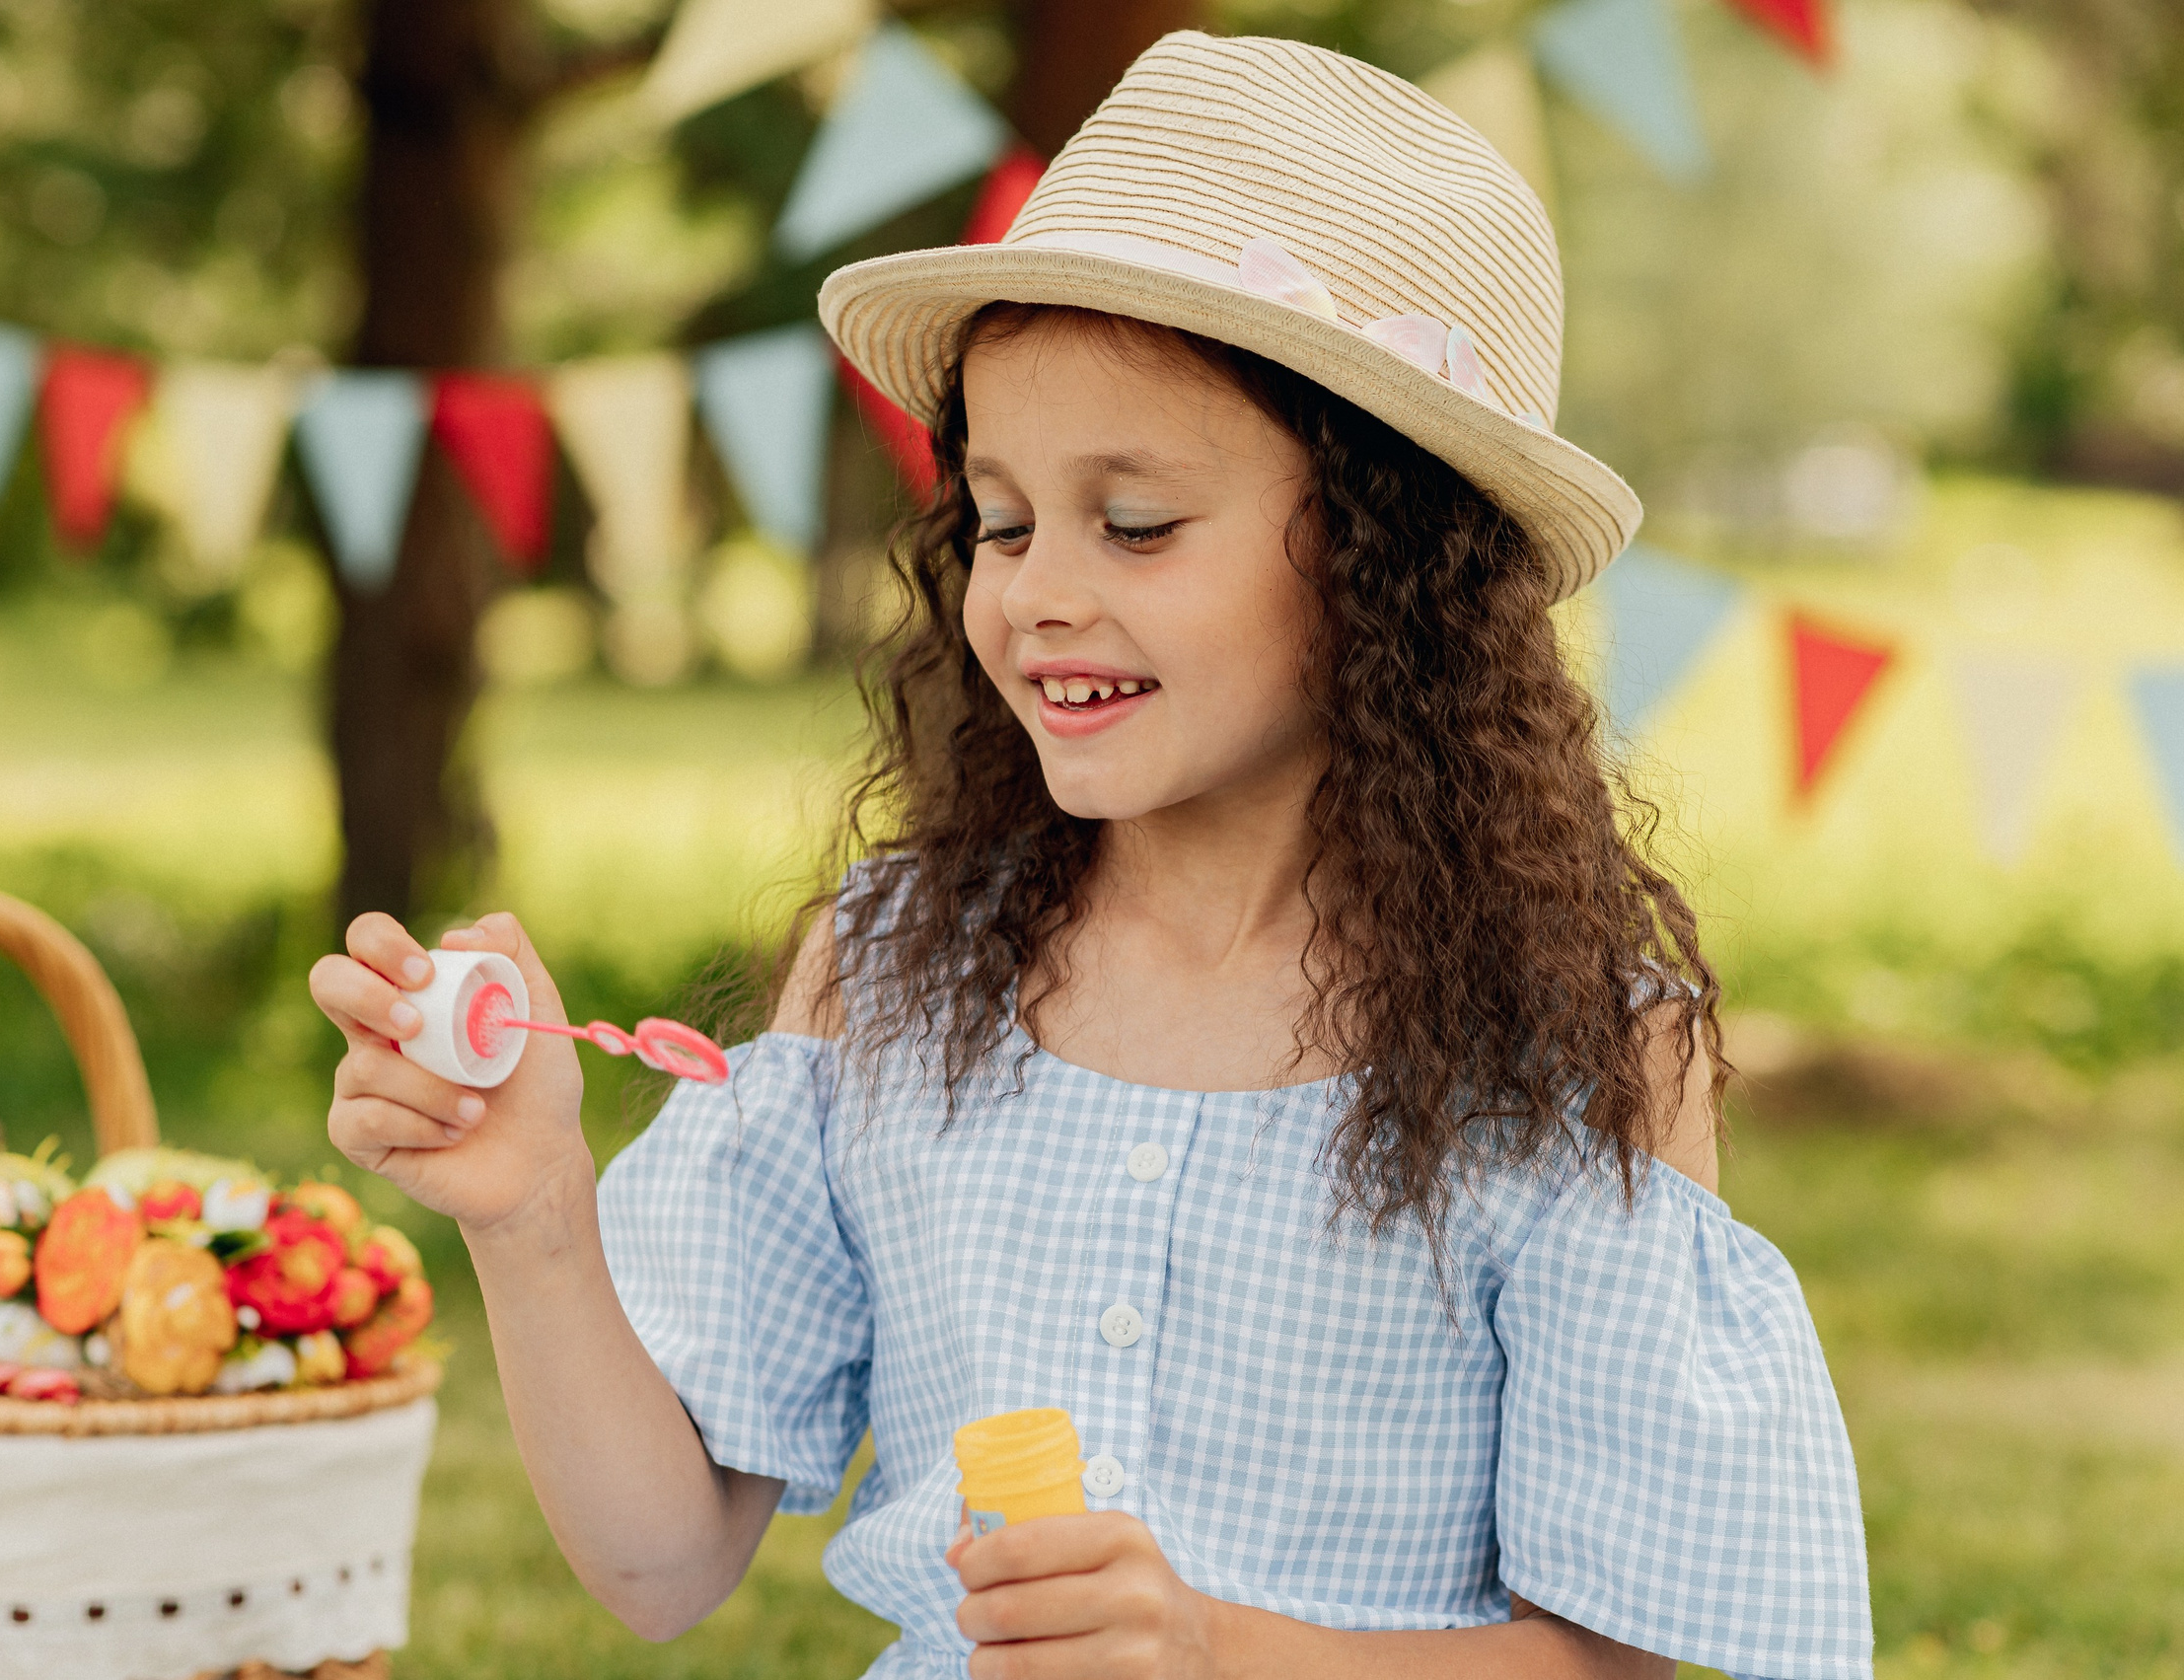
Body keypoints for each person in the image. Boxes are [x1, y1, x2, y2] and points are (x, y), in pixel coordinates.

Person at [309, 31, 1872, 1680]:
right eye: (1000, 518)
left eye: (1134, 523)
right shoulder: (899, 972)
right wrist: (534, 1206)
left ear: (1384, 555)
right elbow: (659, 1558)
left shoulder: (1575, 1047)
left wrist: (1214, 1649)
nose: (1037, 590)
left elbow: (1612, 1661)